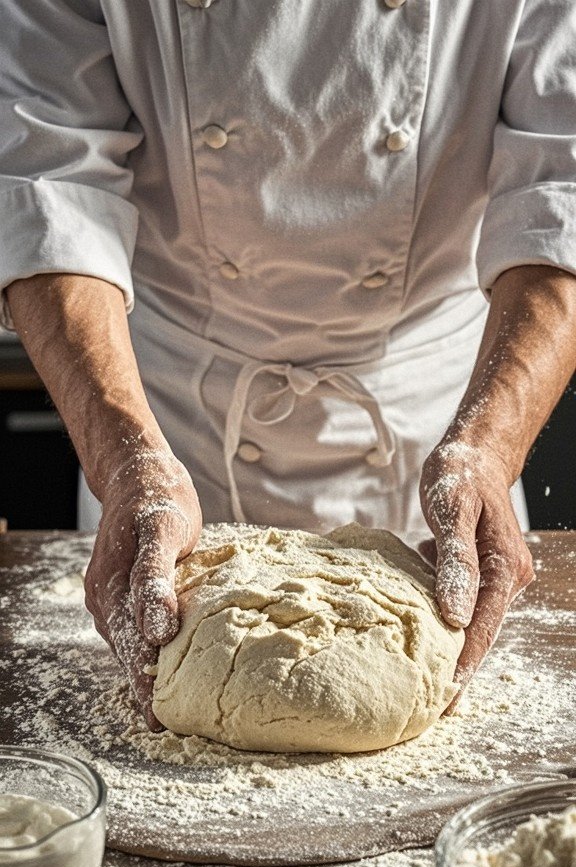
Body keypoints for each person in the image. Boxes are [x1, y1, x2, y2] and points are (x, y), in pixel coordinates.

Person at [1, 1, 575, 730]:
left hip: (432, 419)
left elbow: (562, 191)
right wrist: (127, 465)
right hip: (167, 422)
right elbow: (51, 190)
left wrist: (487, 452)